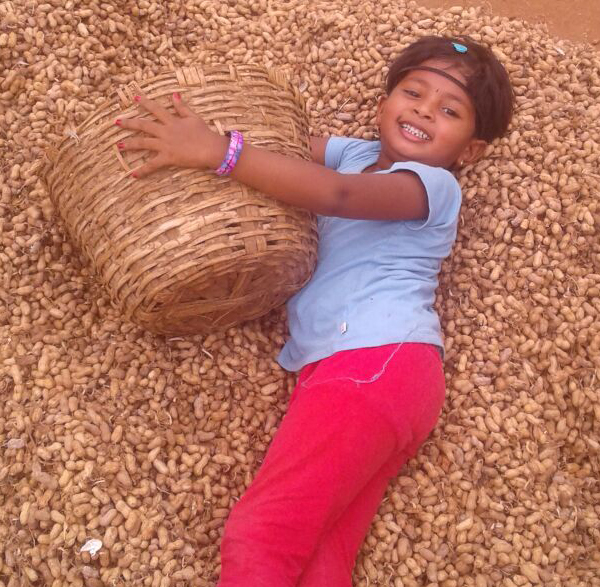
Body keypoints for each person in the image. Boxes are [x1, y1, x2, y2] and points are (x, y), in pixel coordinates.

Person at [115, 35, 514, 587]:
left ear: (470, 151)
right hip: (381, 376)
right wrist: (204, 129)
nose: (425, 110)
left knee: (262, 535)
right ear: (383, 105)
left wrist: (220, 152)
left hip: (375, 361)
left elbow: (336, 196)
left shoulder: (433, 186)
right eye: (413, 92)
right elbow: (280, 146)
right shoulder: (354, 155)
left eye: (450, 111)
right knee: (321, 557)